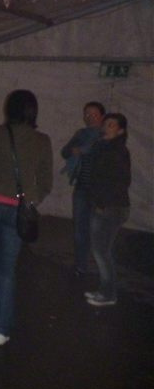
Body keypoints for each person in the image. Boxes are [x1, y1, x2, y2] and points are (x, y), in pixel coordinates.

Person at [0, 90, 53, 346]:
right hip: (18, 208)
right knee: (7, 270)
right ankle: (2, 331)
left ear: (9, 109)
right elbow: (46, 181)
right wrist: (31, 200)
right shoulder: (42, 140)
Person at [84, 113, 131, 307]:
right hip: (103, 205)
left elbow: (121, 181)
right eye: (106, 123)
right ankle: (104, 289)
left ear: (120, 131)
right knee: (100, 250)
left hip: (112, 207)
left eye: (111, 125)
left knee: (102, 251)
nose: (106, 127)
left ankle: (109, 294)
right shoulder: (103, 146)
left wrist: (103, 202)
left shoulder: (117, 151)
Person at [60, 101, 106, 276]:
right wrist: (73, 150)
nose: (89, 117)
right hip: (81, 187)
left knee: (100, 231)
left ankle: (104, 268)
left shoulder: (106, 135)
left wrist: (86, 150)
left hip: (100, 190)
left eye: (94, 114)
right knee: (80, 229)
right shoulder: (81, 134)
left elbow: (107, 157)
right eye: (87, 114)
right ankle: (81, 265)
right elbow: (65, 152)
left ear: (102, 116)